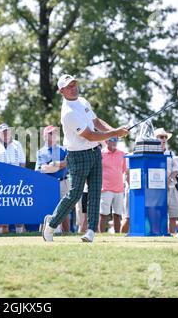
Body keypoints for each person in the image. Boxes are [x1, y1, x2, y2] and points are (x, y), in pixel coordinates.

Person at [42, 74, 129, 243]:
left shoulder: (82, 101)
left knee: (95, 192)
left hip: (94, 152)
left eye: (74, 84)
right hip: (77, 155)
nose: (74, 88)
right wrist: (115, 132)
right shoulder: (68, 113)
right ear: (62, 91)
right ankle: (51, 225)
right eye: (69, 86)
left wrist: (114, 131)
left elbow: (96, 122)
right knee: (75, 194)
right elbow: (89, 135)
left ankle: (90, 231)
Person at [0, 123, 26, 234]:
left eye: (7, 131)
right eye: (3, 131)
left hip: (16, 181)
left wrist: (20, 176)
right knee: (0, 208)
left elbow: (22, 162)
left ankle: (19, 233)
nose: (5, 133)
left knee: (17, 207)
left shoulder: (17, 144)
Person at [35, 125, 70, 233]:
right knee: (47, 209)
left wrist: (53, 165)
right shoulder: (41, 152)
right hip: (48, 184)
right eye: (50, 133)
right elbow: (40, 169)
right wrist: (56, 167)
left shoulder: (64, 149)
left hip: (63, 182)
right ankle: (44, 232)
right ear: (44, 136)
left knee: (65, 210)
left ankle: (66, 233)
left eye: (55, 133)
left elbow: (67, 163)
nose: (53, 135)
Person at [154, 128, 178, 234]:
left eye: (165, 137)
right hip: (156, 189)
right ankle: (160, 233)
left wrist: (168, 180)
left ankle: (172, 234)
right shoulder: (151, 153)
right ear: (155, 139)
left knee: (173, 214)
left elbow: (176, 170)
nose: (164, 139)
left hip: (171, 187)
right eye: (161, 137)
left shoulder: (171, 153)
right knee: (159, 213)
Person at [99, 137, 127, 233]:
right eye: (112, 140)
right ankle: (101, 235)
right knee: (103, 214)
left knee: (117, 214)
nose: (114, 142)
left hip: (119, 188)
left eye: (116, 140)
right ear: (106, 141)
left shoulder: (122, 154)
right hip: (105, 188)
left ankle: (117, 235)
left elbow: (123, 170)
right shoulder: (100, 154)